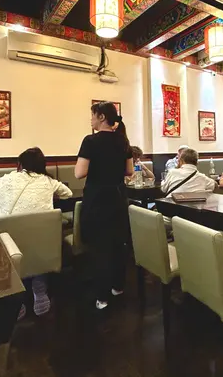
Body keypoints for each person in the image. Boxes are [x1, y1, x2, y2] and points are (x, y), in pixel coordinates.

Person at [0, 147, 72, 317]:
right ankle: (40, 286)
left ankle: (16, 297)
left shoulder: (5, 180)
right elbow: (68, 193)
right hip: (42, 244)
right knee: (40, 242)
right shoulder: (48, 181)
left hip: (10, 241)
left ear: (20, 164)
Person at [75, 101, 133, 310]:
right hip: (118, 198)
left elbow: (79, 173)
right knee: (117, 244)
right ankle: (118, 286)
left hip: (97, 200)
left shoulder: (90, 141)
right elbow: (129, 171)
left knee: (100, 248)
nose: (90, 120)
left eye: (92, 115)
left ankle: (102, 297)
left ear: (101, 117)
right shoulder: (123, 140)